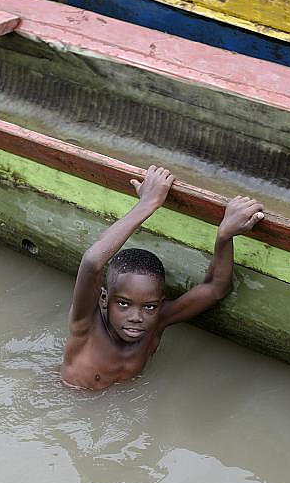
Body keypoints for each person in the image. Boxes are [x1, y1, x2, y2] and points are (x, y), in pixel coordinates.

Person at [61, 165, 265, 390]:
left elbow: (216, 288)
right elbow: (91, 262)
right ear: (103, 298)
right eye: (123, 303)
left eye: (149, 307)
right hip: (68, 400)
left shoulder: (158, 321)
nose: (137, 317)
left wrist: (225, 235)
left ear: (160, 303)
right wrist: (148, 202)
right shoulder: (86, 323)